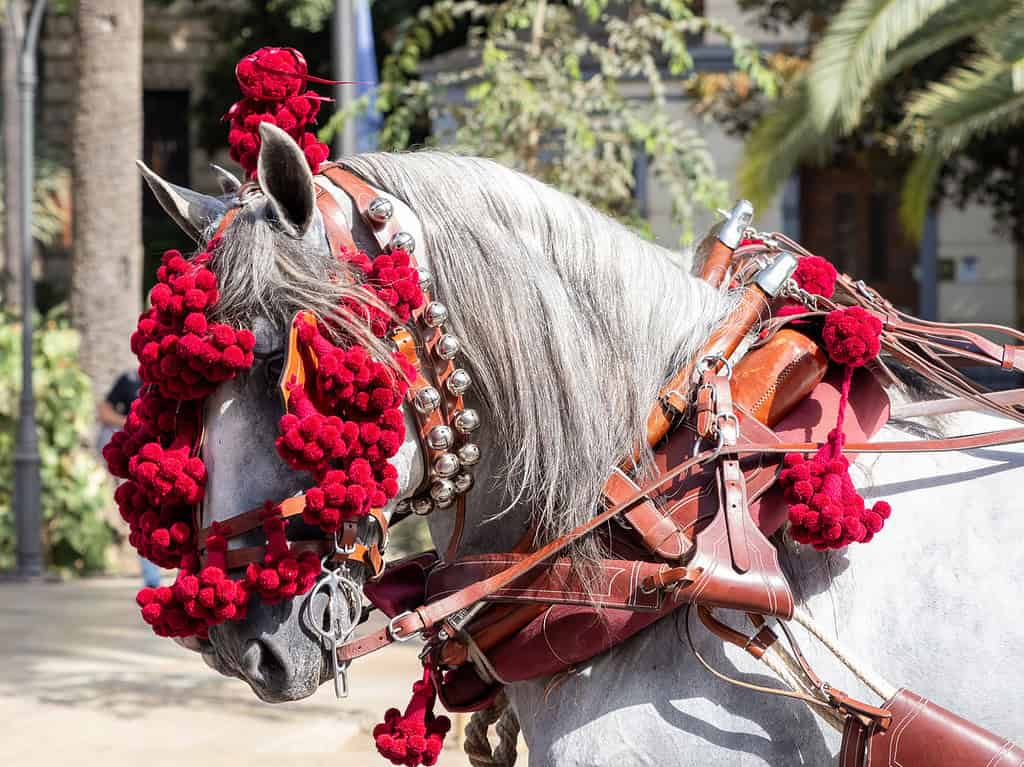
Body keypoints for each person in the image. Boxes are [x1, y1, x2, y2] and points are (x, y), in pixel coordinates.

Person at [98, 370, 161, 589]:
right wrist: (130, 421)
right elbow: (103, 411)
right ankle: (151, 575)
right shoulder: (129, 380)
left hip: (169, 455)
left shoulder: (165, 378)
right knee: (143, 512)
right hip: (138, 459)